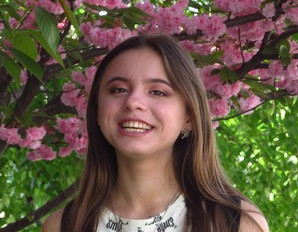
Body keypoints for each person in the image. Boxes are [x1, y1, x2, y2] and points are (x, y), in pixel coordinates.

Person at [42, 34, 269, 232]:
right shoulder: (62, 226)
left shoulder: (238, 224)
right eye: (119, 89)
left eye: (158, 92)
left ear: (188, 116)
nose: (133, 102)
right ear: (97, 110)